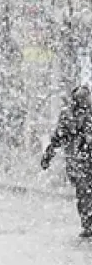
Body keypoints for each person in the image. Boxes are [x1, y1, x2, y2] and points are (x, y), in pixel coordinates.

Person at [42, 85, 92, 237]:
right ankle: (88, 224)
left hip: (82, 160)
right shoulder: (69, 115)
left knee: (84, 193)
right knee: (84, 193)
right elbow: (58, 137)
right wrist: (48, 155)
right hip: (79, 161)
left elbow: (58, 138)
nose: (84, 101)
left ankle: (88, 223)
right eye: (81, 99)